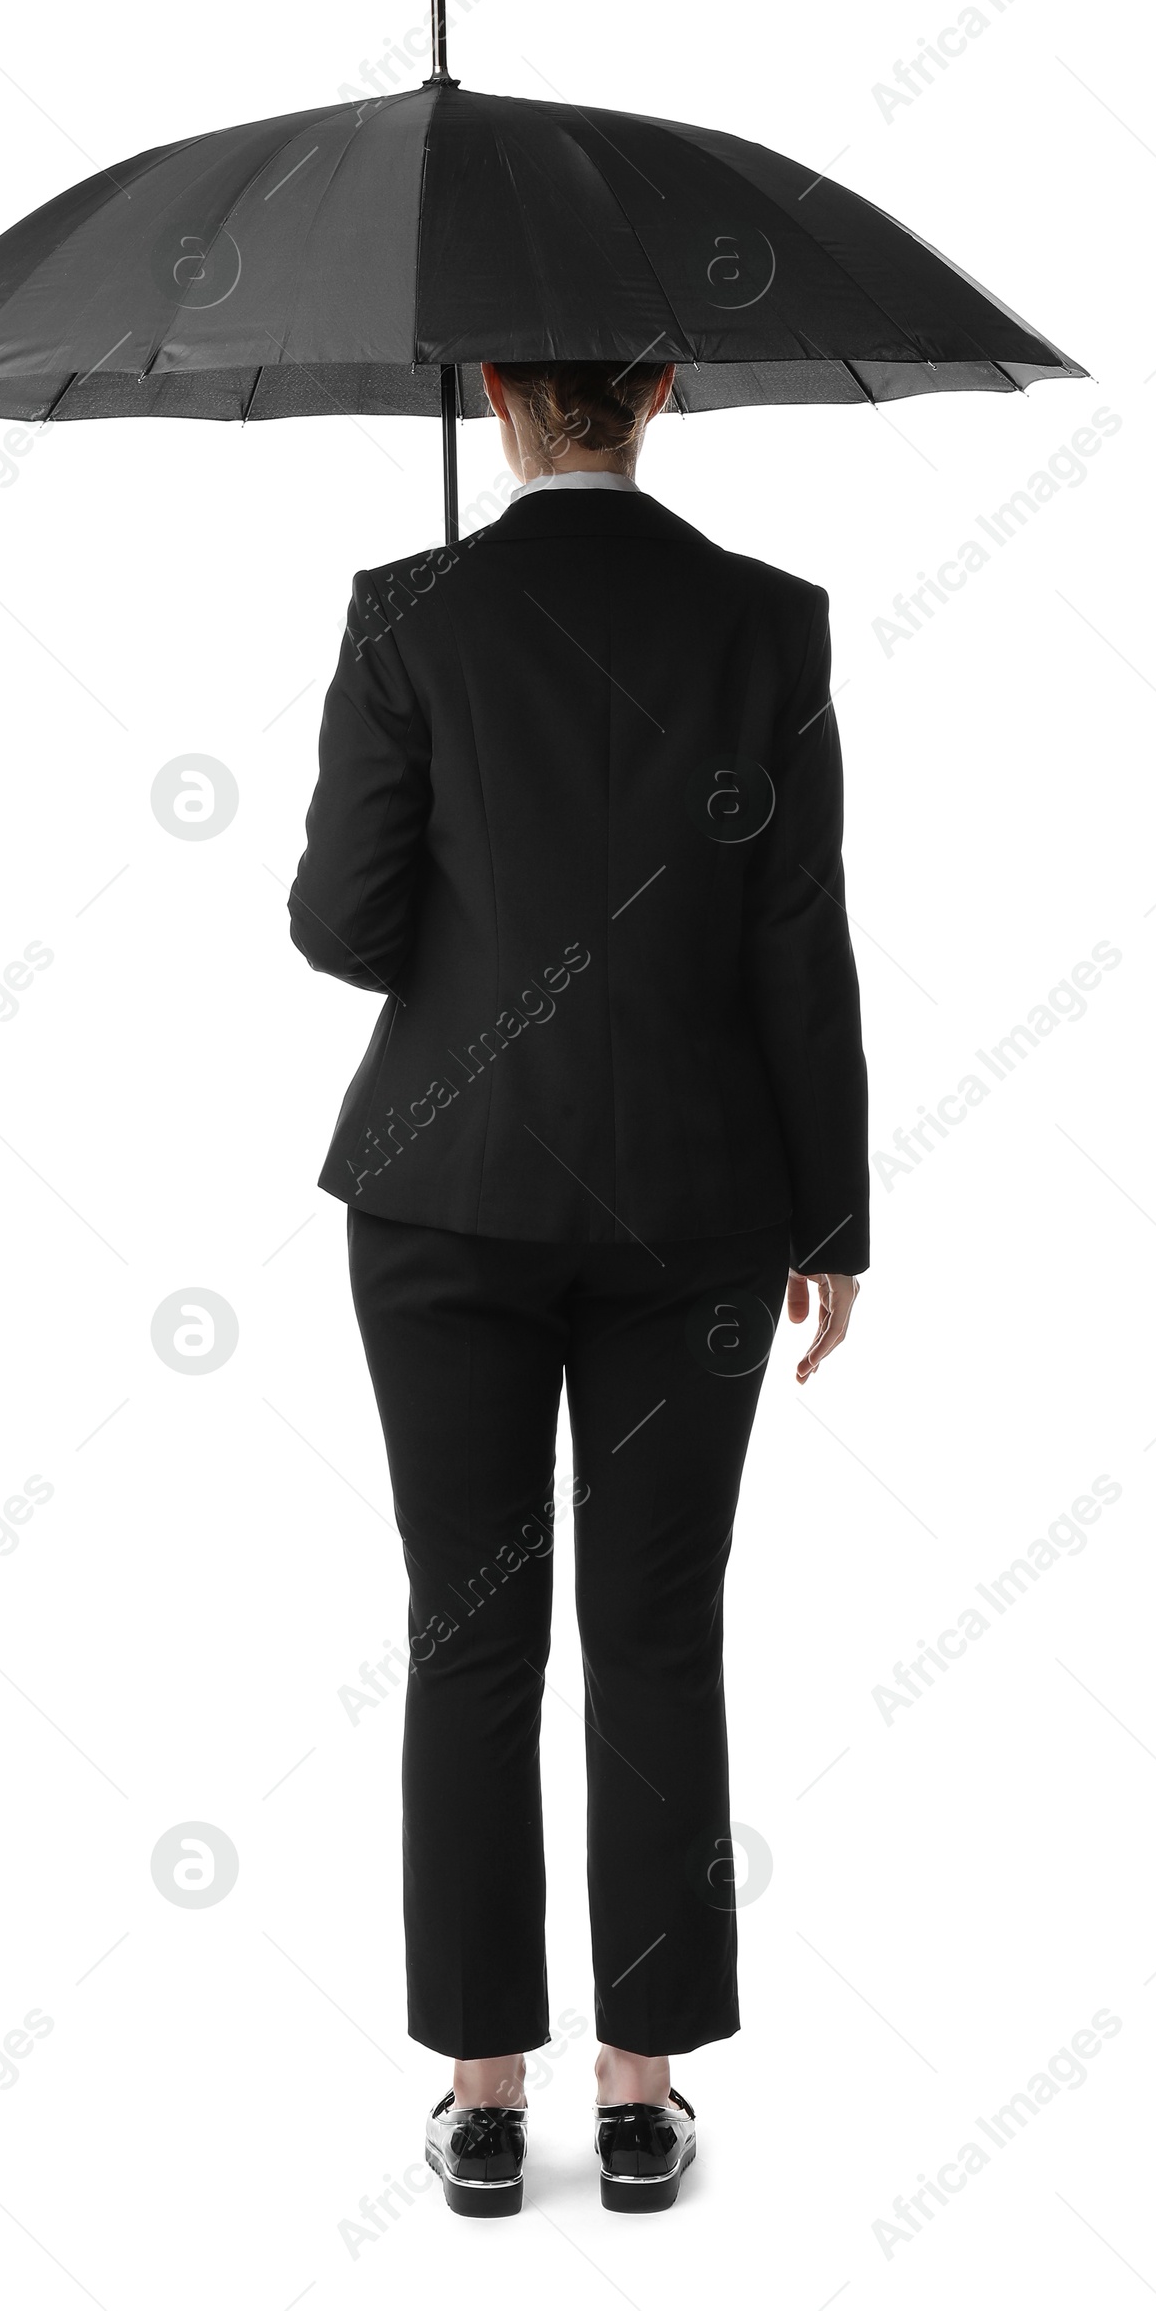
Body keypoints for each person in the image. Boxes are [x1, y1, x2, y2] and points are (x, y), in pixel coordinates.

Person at [288, 358, 867, 2217]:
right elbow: (802, 946)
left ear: (495, 390)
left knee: (470, 1633)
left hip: (445, 1194)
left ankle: (477, 2092)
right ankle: (637, 2089)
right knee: (656, 1631)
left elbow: (343, 926)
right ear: (666, 389)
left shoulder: (409, 613)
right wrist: (833, 1221)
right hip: (701, 1205)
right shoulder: (769, 626)